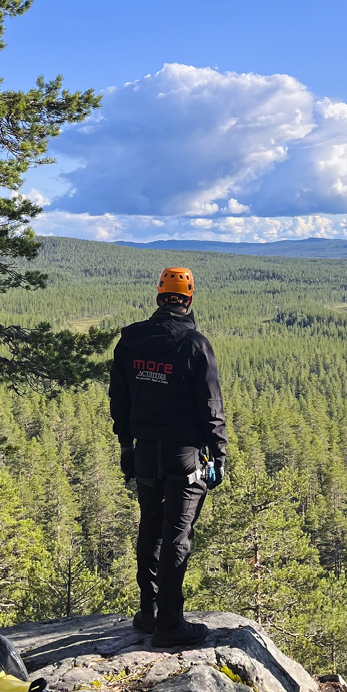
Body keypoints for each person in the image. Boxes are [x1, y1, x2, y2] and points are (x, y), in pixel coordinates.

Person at [110, 265, 227, 646]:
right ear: (188, 300)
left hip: (145, 452)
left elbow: (120, 400)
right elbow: (211, 406)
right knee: (177, 534)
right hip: (184, 455)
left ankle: (148, 612)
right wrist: (219, 453)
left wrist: (126, 446)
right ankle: (171, 624)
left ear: (159, 297)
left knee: (150, 527)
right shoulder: (195, 345)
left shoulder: (130, 341)